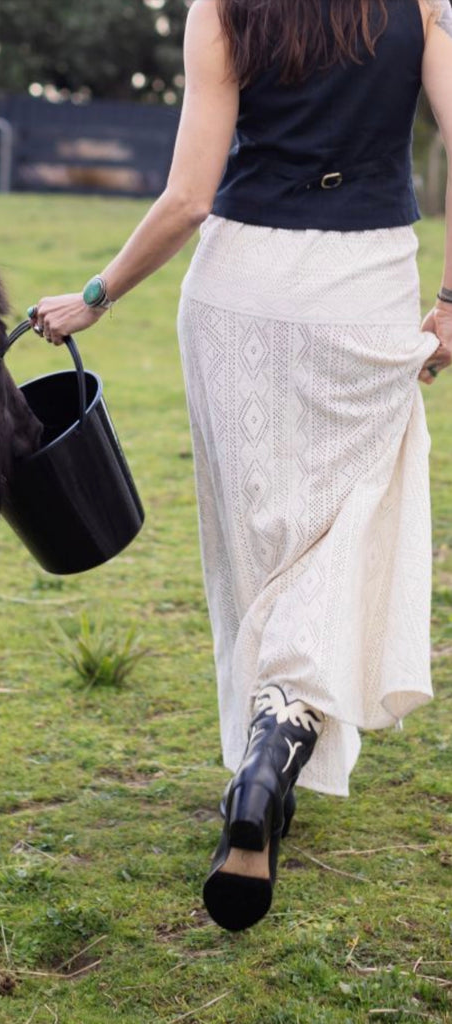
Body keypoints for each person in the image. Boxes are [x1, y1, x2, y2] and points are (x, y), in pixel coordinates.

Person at [29, 0, 452, 932]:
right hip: (364, 287)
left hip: (237, 291)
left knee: (253, 542)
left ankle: (263, 760)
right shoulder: (417, 5)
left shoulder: (221, 7)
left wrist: (98, 296)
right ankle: (276, 743)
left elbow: (186, 196)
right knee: (349, 518)